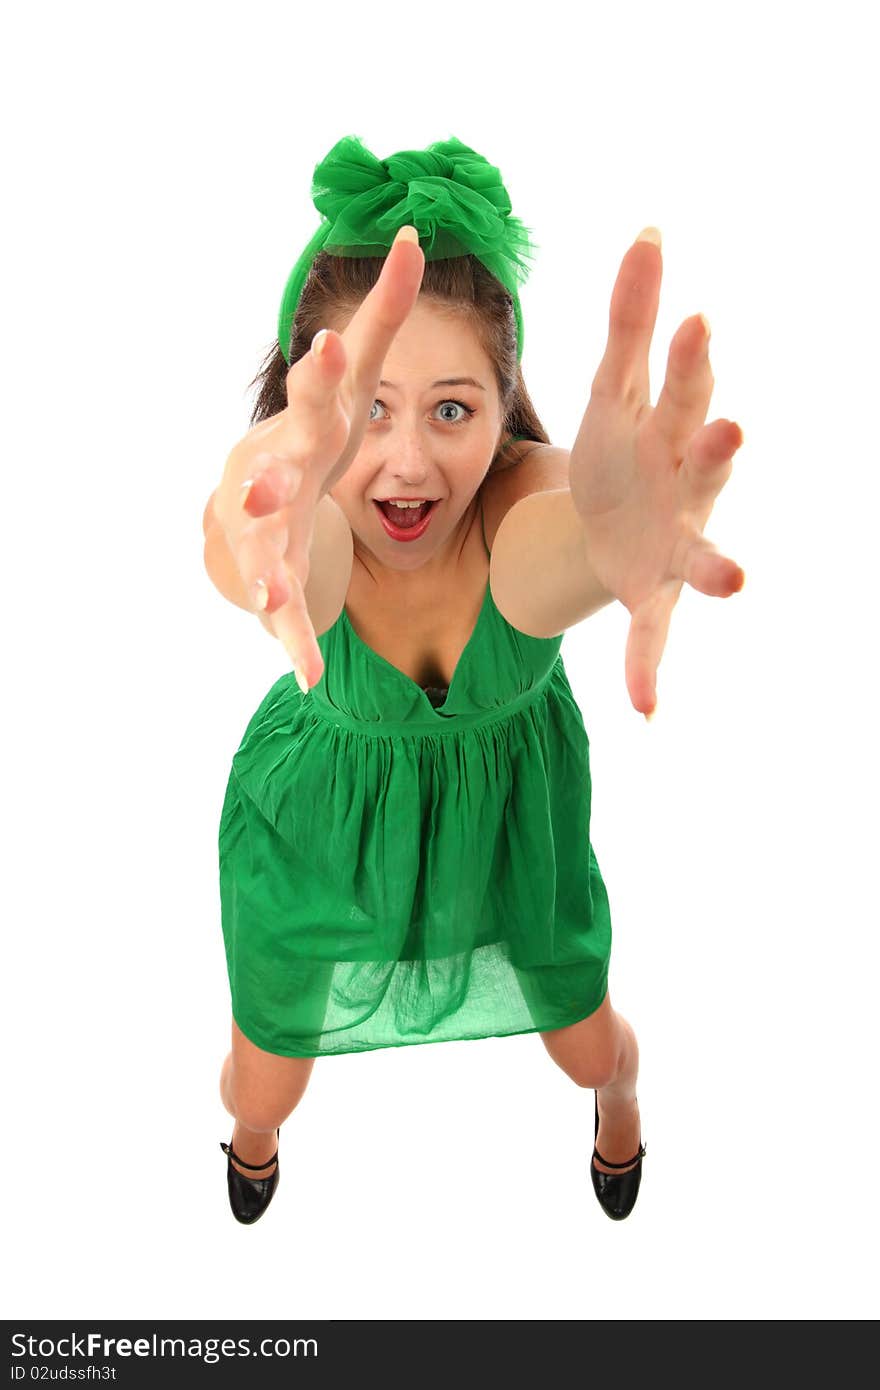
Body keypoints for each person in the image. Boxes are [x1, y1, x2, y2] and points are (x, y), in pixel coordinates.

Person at [203, 135, 745, 1227]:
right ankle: (252, 1145)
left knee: (590, 1041)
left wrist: (610, 542)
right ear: (299, 413)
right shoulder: (308, 525)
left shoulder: (512, 510)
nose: (405, 465)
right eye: (366, 414)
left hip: (510, 827)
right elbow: (262, 543)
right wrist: (248, 513)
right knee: (261, 1082)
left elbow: (566, 537)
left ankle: (622, 1106)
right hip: (318, 833)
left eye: (452, 409)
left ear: (504, 415)